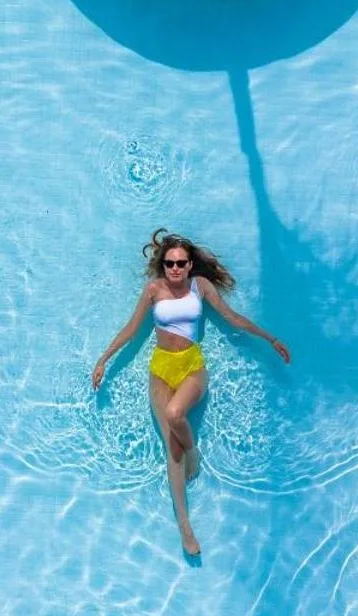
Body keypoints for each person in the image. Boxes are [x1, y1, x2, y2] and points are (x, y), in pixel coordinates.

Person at [92, 229, 290, 556]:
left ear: (189, 264)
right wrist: (103, 359)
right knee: (172, 448)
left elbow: (232, 318)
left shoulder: (200, 286)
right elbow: (131, 329)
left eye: (181, 263)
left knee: (175, 414)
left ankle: (193, 451)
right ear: (163, 265)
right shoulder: (153, 290)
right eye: (169, 263)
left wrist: (270, 339)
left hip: (192, 366)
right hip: (161, 368)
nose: (175, 269)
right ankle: (185, 526)